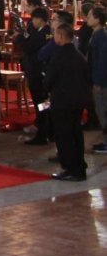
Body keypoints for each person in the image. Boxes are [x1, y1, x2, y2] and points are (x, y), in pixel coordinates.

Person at [45, 23, 89, 181]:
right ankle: (79, 166)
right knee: (76, 133)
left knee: (64, 135)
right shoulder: (78, 55)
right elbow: (86, 76)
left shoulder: (59, 55)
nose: (54, 37)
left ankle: (71, 168)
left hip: (62, 101)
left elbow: (49, 78)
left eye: (56, 34)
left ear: (62, 36)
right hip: (77, 101)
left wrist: (47, 88)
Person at [17, 7, 53, 145]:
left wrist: (20, 37)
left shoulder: (43, 33)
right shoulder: (44, 32)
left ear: (40, 19)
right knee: (44, 104)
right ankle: (48, 130)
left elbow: (29, 47)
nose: (32, 22)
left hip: (38, 74)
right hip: (39, 73)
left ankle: (43, 133)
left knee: (41, 104)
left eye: (33, 19)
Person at [87, 7, 107, 155]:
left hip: (102, 82)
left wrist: (98, 82)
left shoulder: (102, 37)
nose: (87, 18)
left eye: (90, 16)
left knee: (103, 110)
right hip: (96, 78)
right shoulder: (95, 35)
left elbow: (102, 61)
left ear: (98, 19)